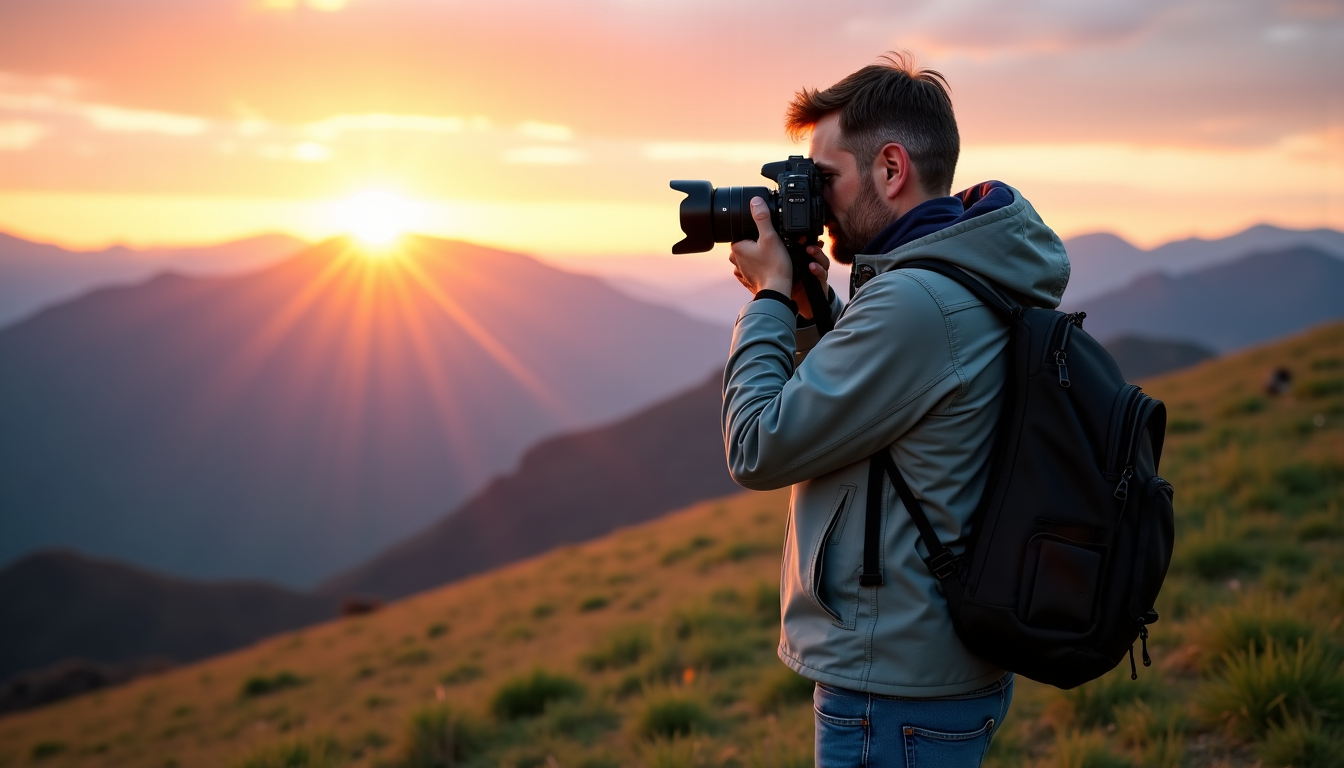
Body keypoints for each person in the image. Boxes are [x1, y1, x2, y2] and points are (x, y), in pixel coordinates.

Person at [722, 53, 1070, 767]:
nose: (814, 202)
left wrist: (763, 300)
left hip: (894, 690)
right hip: (929, 667)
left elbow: (756, 445)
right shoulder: (962, 270)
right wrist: (809, 308)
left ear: (890, 168)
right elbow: (885, 404)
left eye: (824, 179)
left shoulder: (915, 301)